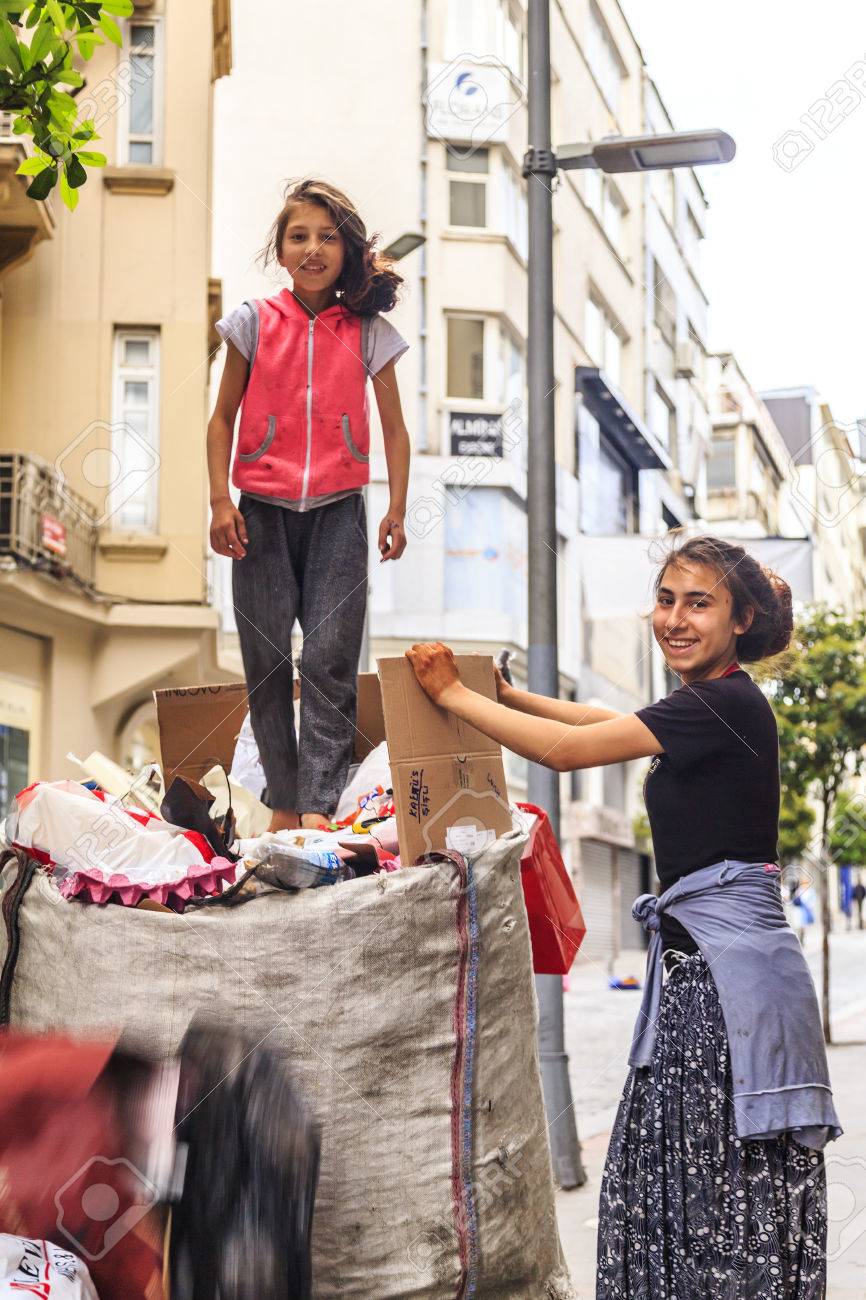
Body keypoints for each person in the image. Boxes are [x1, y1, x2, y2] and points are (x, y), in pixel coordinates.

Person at [406, 534, 839, 1299]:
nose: (674, 618)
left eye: (698, 603)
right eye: (666, 600)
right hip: (706, 986)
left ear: (740, 620)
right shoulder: (709, 702)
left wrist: (453, 699)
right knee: (685, 1193)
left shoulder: (727, 702)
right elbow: (595, 720)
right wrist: (506, 698)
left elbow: (568, 754)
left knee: (714, 1202)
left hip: (726, 995)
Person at [208, 179, 411, 833]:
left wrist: (397, 510)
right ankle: (282, 805)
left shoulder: (370, 333)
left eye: (328, 237)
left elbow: (396, 429)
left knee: (328, 657)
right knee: (268, 661)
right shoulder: (251, 322)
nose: (313, 248)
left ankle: (318, 807)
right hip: (259, 513)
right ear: (281, 248)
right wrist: (219, 501)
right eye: (300, 235)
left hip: (339, 514)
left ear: (348, 251)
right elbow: (221, 420)